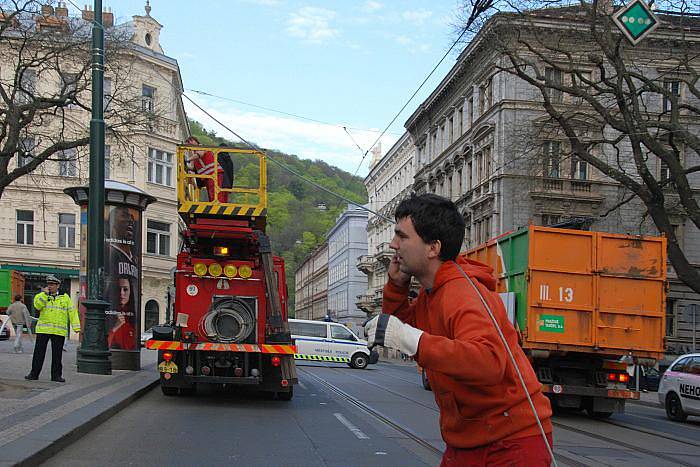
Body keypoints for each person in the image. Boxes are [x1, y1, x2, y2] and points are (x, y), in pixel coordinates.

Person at [364, 194, 553, 466]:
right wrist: (396, 287)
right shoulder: (433, 293)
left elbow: (488, 362)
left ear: (433, 248)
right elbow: (402, 329)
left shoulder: (462, 293)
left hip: (510, 442)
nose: (393, 245)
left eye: (402, 237)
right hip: (470, 438)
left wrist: (410, 339)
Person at [26, 275, 80, 383]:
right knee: (38, 354)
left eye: (52, 284)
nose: (49, 286)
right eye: (48, 284)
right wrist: (45, 295)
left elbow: (72, 312)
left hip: (58, 331)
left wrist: (76, 327)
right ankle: (34, 374)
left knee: (57, 355)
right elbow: (37, 306)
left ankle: (56, 376)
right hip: (43, 330)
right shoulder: (41, 296)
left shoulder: (65, 298)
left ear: (58, 285)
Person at [185, 136, 226, 203]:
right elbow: (192, 167)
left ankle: (217, 206)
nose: (190, 145)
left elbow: (199, 154)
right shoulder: (194, 154)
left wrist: (187, 159)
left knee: (215, 192)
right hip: (208, 176)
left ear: (194, 141)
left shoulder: (201, 147)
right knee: (211, 193)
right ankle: (214, 205)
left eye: (190, 142)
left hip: (214, 173)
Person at [107, 276, 137, 350]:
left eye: (125, 289)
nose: (122, 293)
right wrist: (115, 328)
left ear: (130, 291)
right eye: (118, 289)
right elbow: (103, 346)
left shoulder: (133, 317)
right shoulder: (107, 312)